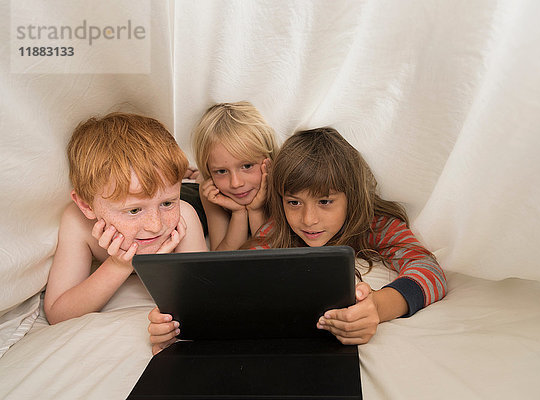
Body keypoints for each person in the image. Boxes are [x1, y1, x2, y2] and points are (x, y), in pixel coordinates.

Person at [148, 126, 446, 352]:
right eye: (294, 203)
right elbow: (240, 274)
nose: (308, 219)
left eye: (325, 202)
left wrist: (378, 307)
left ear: (351, 198)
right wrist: (175, 324)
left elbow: (428, 270)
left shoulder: (374, 224)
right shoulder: (278, 229)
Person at [44, 112, 207, 325]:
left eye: (167, 204)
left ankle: (195, 178)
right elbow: (58, 314)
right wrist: (119, 265)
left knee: (205, 194)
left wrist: (161, 266)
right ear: (86, 205)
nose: (156, 226)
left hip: (190, 197)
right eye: (133, 211)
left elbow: (201, 298)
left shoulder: (183, 215)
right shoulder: (77, 223)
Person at [191, 101, 278, 251]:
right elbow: (221, 258)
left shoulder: (280, 182)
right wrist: (239, 213)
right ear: (209, 172)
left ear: (268, 161)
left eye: (247, 166)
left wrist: (255, 210)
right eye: (221, 171)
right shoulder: (211, 191)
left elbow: (269, 253)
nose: (236, 183)